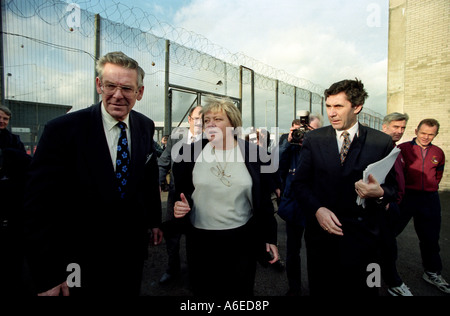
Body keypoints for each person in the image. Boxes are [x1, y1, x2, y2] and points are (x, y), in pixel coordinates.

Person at [23, 51, 163, 296]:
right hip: (78, 260)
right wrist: (47, 275)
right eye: (111, 85)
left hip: (129, 256)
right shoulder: (63, 131)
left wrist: (153, 221)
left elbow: (147, 178)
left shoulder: (144, 125)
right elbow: (38, 206)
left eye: (127, 89)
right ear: (99, 85)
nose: (118, 95)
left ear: (139, 92)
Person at [291, 79, 398, 296]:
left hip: (366, 240)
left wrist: (380, 194)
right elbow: (300, 184)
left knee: (368, 291)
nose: (331, 113)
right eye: (328, 106)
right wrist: (317, 210)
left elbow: (393, 189)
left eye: (338, 106)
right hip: (322, 239)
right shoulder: (314, 138)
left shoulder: (382, 142)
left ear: (356, 107)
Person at [172, 97, 279, 296]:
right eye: (207, 120)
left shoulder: (255, 154)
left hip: (241, 240)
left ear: (233, 124)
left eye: (218, 119)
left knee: (239, 293)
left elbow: (263, 201)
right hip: (201, 241)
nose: (211, 124)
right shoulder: (189, 154)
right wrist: (178, 207)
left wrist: (270, 238)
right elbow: (179, 194)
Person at [397, 118, 449, 294]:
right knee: (389, 232)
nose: (426, 137)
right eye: (423, 133)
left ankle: (432, 272)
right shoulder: (403, 149)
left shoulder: (438, 152)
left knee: (430, 238)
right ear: (416, 131)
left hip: (429, 199)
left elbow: (438, 174)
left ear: (436, 134)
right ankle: (379, 268)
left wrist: (430, 187)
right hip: (406, 197)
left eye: (431, 134)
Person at [158, 105, 203, 284]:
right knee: (173, 238)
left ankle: (196, 274)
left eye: (204, 119)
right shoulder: (176, 139)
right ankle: (172, 270)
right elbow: (163, 162)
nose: (201, 123)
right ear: (190, 120)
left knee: (196, 239)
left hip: (200, 200)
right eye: (197, 118)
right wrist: (159, 183)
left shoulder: (210, 141)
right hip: (176, 197)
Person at [279, 113, 322, 296]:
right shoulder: (291, 147)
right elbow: (275, 165)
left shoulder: (325, 147)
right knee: (292, 251)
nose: (306, 135)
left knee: (316, 253)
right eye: (304, 131)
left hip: (317, 208)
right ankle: (294, 288)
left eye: (312, 131)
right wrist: (289, 142)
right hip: (294, 206)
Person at [380, 112, 413, 296]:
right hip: (381, 207)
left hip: (394, 205)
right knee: (386, 248)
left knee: (388, 246)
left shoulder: (396, 150)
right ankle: (392, 283)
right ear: (385, 127)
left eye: (402, 128)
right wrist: (382, 201)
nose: (399, 131)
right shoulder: (376, 149)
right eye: (395, 127)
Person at [0, 105, 32, 296]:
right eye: (0, 118)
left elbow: (25, 162)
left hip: (11, 193)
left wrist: (7, 155)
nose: (2, 122)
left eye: (5, 119)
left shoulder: (13, 140)